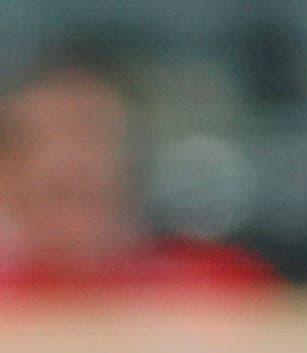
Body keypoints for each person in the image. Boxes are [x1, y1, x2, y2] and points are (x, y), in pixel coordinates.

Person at [0, 54, 275, 300]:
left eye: (92, 133)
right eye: (33, 141)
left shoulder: (215, 290)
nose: (70, 161)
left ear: (136, 160)